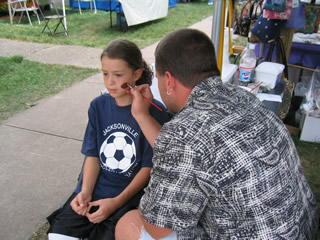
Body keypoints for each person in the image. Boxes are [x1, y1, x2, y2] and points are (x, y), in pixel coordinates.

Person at [115, 28, 319, 239]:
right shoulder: (243, 95)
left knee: (129, 224)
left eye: (157, 78)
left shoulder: (183, 132)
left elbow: (158, 225)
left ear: (169, 80)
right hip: (303, 229)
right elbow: (191, 154)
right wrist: (141, 115)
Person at [46, 39, 168, 240]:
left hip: (126, 198)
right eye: (105, 73)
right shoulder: (98, 106)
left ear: (136, 74)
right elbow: (92, 154)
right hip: (95, 190)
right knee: (58, 236)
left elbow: (149, 167)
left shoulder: (153, 112)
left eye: (118, 75)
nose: (110, 81)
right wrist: (84, 191)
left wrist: (116, 202)